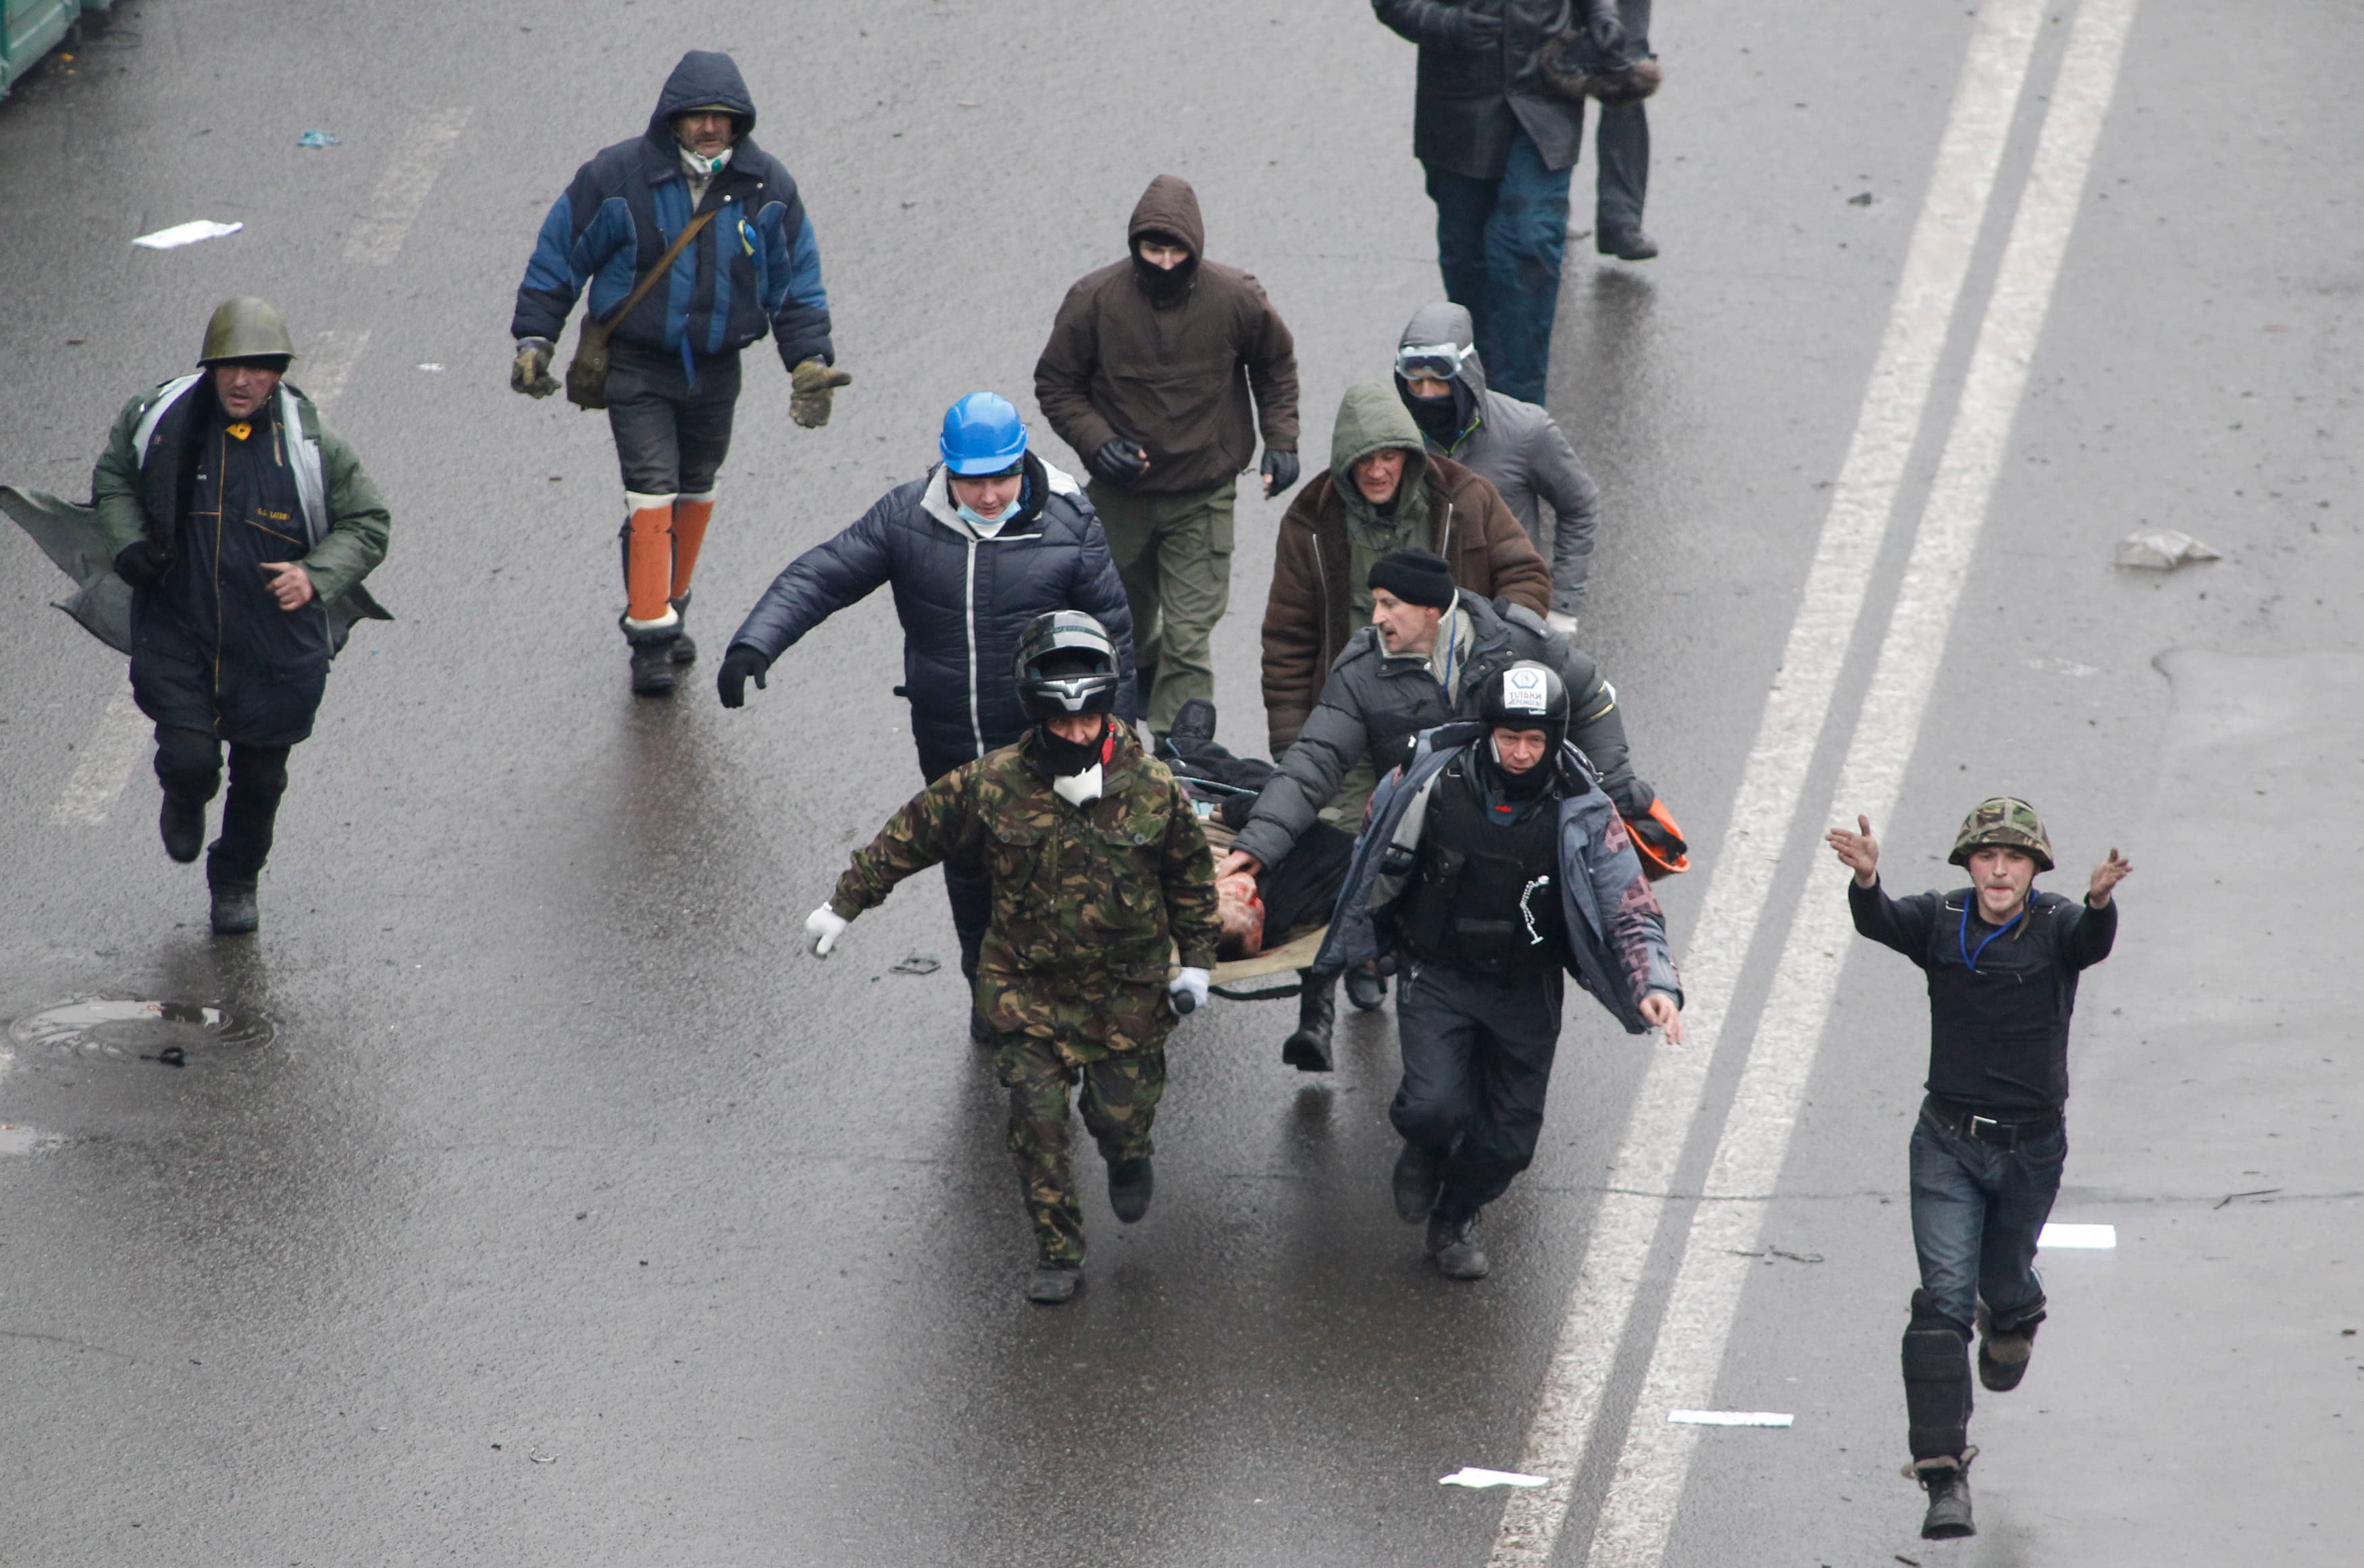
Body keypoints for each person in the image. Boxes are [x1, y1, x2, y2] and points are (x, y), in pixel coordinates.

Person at [803, 613, 1220, 1304]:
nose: (1079, 735)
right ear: (1037, 715)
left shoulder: (1151, 788)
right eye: (1064, 725)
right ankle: (1058, 1252)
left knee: (1118, 1117)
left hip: (1126, 993)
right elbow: (911, 834)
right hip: (1026, 990)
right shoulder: (991, 784)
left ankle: (1128, 1155)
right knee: (1037, 1122)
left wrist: (1197, 963)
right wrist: (844, 904)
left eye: (1090, 721)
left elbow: (1190, 878)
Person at [717, 394, 1137, 1008]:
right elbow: (823, 574)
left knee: (1051, 874)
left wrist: (1112, 748)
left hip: (1041, 745)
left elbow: (1115, 637)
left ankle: (1055, 1009)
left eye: (1002, 477)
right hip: (947, 742)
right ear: (948, 471)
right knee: (969, 875)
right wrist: (757, 641)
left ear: (1023, 463)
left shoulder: (1071, 527)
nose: (989, 495)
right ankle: (989, 1002)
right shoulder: (905, 518)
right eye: (973, 482)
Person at [1826, 799, 2131, 1540]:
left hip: (2030, 1148)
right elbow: (1879, 921)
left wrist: (2098, 903)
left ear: (2034, 871)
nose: (1999, 869)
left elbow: (2091, 943)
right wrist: (1866, 881)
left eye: (2015, 858)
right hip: (1946, 1143)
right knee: (1940, 1303)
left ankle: (2017, 1310)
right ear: (1967, 863)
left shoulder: (2059, 924)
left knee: (1999, 1281)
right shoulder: (1938, 920)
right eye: (1986, 856)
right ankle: (1942, 1479)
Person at [1316, 661, 1682, 1279]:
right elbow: (1373, 850)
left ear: (1555, 740)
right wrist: (1360, 944)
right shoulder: (1428, 779)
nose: (1519, 753)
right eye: (1508, 737)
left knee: (1509, 1144)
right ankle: (1424, 1148)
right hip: (1438, 975)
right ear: (1487, 731)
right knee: (1434, 1107)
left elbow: (1631, 907)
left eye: (1534, 740)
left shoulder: (1585, 812)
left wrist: (1654, 984)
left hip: (1525, 989)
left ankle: (1454, 1217)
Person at [1219, 548, 1652, 1068]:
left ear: (1430, 609)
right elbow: (1316, 759)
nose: (1375, 617)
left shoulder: (1517, 642)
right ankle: (1328, 1004)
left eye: (1387, 604)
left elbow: (1593, 698)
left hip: (1508, 813)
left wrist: (1612, 785)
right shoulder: (1363, 668)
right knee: (1353, 885)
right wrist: (1259, 846)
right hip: (1417, 816)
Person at [509, 49, 845, 695]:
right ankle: (651, 638)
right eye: (698, 117)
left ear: (739, 123)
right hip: (635, 368)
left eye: (722, 118)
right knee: (651, 491)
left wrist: (809, 363)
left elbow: (796, 283)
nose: (710, 129)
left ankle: (669, 604)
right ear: (673, 120)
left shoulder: (767, 188)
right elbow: (559, 256)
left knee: (696, 489)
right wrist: (534, 339)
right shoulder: (617, 177)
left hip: (716, 372)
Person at [90, 298, 392, 934]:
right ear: (210, 369)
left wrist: (315, 575)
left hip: (276, 648)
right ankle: (184, 794)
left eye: (258, 369)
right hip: (179, 627)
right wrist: (127, 542)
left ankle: (235, 880)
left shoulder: (313, 450)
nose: (242, 381)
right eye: (229, 367)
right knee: (190, 756)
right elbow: (116, 474)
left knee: (260, 780)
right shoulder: (161, 423)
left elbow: (368, 523)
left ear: (278, 374)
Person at [1033, 174, 1300, 734]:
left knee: (1189, 633)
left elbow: (1274, 364)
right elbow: (1057, 385)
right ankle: (1135, 688)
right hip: (1119, 498)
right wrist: (1098, 442)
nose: (1164, 262)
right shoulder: (1094, 301)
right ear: (1135, 247)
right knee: (1114, 623)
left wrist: (1282, 440)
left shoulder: (1236, 298)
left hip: (1202, 496)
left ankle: (1185, 762)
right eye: (1152, 249)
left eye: (1176, 250)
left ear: (1195, 250)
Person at [1371, 1, 1661, 404]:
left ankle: (1520, 416)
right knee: (1467, 256)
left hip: (1545, 97)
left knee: (1529, 243)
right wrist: (1448, 23)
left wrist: (1601, 15)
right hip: (1457, 103)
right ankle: (1476, 396)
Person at [1261, 381, 1550, 759]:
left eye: (1388, 457)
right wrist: (1291, 747)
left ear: (1408, 455)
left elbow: (1527, 578)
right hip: (1352, 731)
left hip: (1454, 720)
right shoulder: (1309, 523)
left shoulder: (1464, 497)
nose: (1377, 471)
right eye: (1364, 459)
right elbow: (1288, 643)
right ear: (1345, 461)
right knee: (1337, 820)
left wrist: (1488, 649)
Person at [1395, 301, 1601, 631]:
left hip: (1506, 621)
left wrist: (1561, 604)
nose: (1426, 394)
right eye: (1415, 382)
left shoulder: (1527, 431)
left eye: (1438, 381)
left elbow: (1579, 506)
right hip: (1419, 623)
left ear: (1465, 375)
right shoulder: (1394, 438)